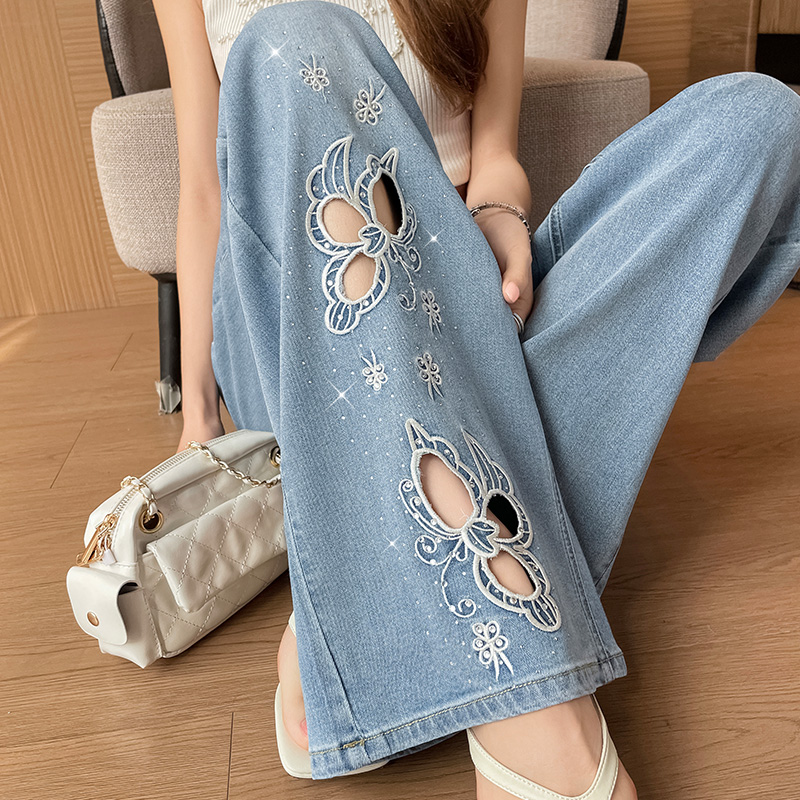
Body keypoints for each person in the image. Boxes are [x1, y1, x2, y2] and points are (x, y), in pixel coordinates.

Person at [152, 0, 800, 797]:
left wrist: (496, 214)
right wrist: (200, 418)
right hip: (301, 329)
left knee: (759, 121)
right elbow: (204, 192)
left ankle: (363, 592)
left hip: (458, 298)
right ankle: (527, 686)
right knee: (295, 38)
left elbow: (494, 157)